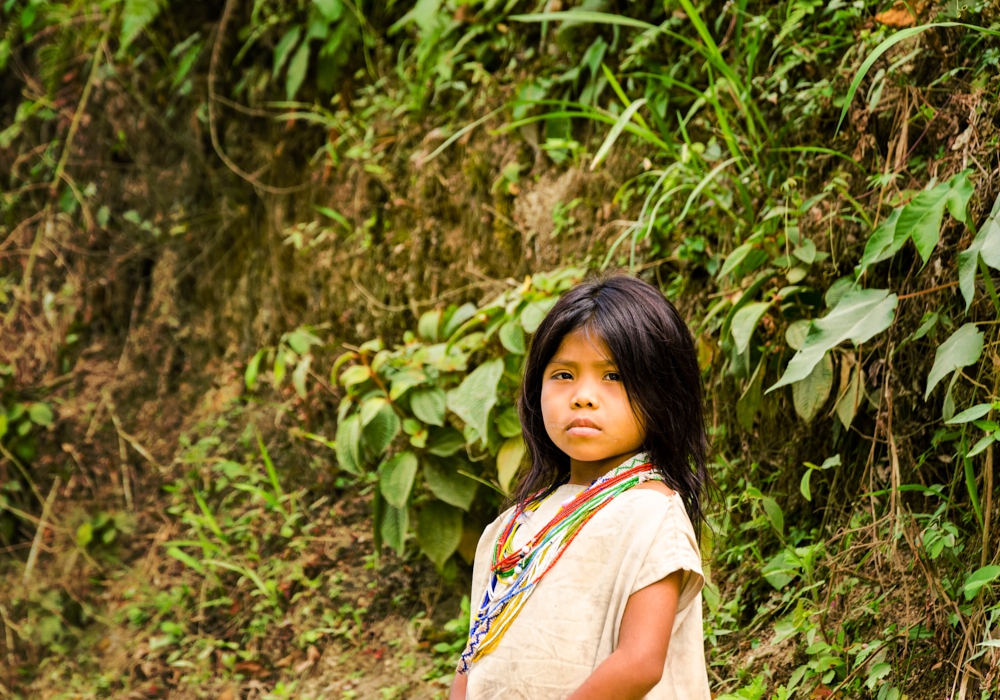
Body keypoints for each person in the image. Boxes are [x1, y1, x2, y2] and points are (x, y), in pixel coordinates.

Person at [449, 274, 712, 700]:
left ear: (663, 393)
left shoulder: (650, 514)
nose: (583, 396)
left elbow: (640, 662)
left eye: (613, 376)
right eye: (564, 374)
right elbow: (475, 654)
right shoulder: (510, 528)